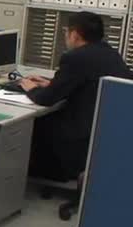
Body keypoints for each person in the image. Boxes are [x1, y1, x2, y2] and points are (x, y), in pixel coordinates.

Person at [20, 11, 132, 181]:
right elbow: (86, 83)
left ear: (75, 34)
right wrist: (51, 83)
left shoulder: (74, 57)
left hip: (78, 138)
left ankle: (32, 170)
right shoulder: (109, 53)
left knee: (33, 121)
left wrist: (31, 88)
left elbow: (46, 99)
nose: (65, 36)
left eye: (66, 31)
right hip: (103, 132)